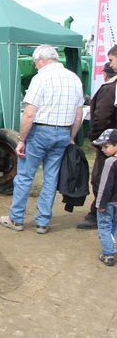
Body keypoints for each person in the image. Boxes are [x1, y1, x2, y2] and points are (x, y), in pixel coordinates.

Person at [0, 45, 84, 234]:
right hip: (62, 133)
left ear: (42, 59)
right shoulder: (74, 79)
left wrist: (22, 139)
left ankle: (16, 219)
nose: (35, 65)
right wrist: (71, 137)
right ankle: (43, 221)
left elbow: (29, 113)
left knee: (25, 177)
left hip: (40, 132)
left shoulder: (41, 78)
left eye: (35, 62)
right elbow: (79, 113)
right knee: (51, 178)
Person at [78, 51, 117, 229]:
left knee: (101, 179)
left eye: (111, 59)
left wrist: (97, 140)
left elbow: (101, 117)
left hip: (110, 143)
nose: (111, 62)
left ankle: (99, 214)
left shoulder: (110, 89)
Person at [89, 128, 117, 266]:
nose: (103, 150)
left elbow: (105, 185)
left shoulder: (110, 162)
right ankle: (114, 247)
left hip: (108, 202)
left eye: (106, 147)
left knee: (105, 226)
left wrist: (99, 204)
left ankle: (108, 254)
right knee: (116, 225)